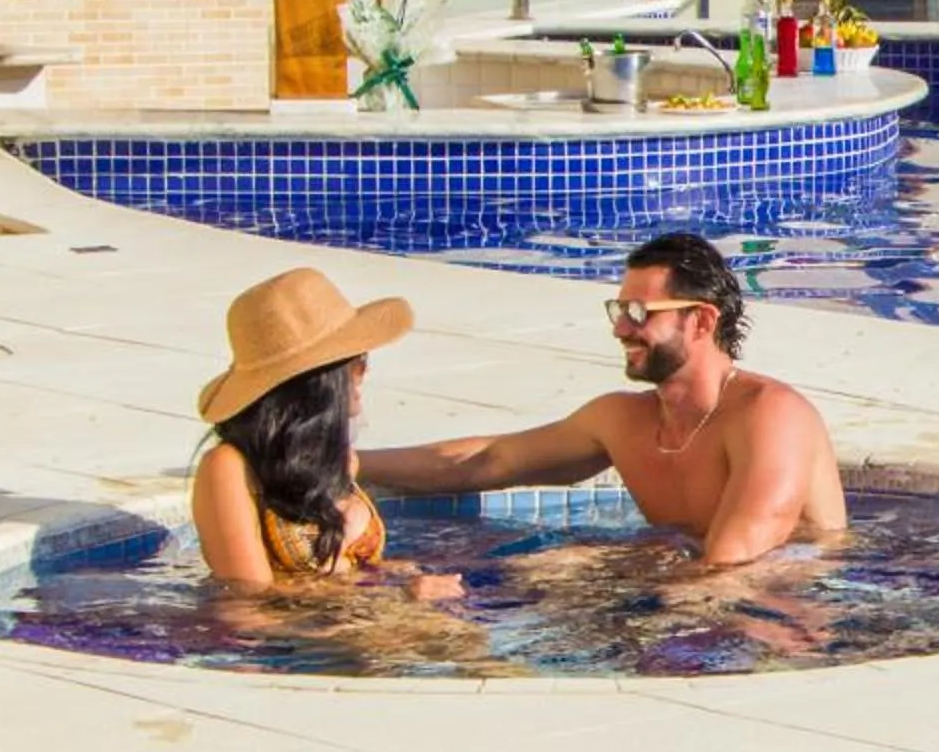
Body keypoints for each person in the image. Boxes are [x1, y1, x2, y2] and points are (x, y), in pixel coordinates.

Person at [357, 232, 847, 565]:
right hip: (692, 591)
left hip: (786, 615)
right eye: (618, 309)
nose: (619, 327)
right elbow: (485, 461)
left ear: (701, 320)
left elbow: (737, 564)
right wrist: (348, 463)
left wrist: (605, 568)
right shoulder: (623, 420)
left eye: (638, 312)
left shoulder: (770, 416)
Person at [191, 268, 422, 590]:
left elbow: (349, 573)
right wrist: (393, 601)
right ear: (320, 382)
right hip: (301, 637)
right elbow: (246, 604)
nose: (364, 372)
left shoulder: (337, 459)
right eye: (357, 362)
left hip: (354, 623)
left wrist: (397, 579)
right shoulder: (228, 468)